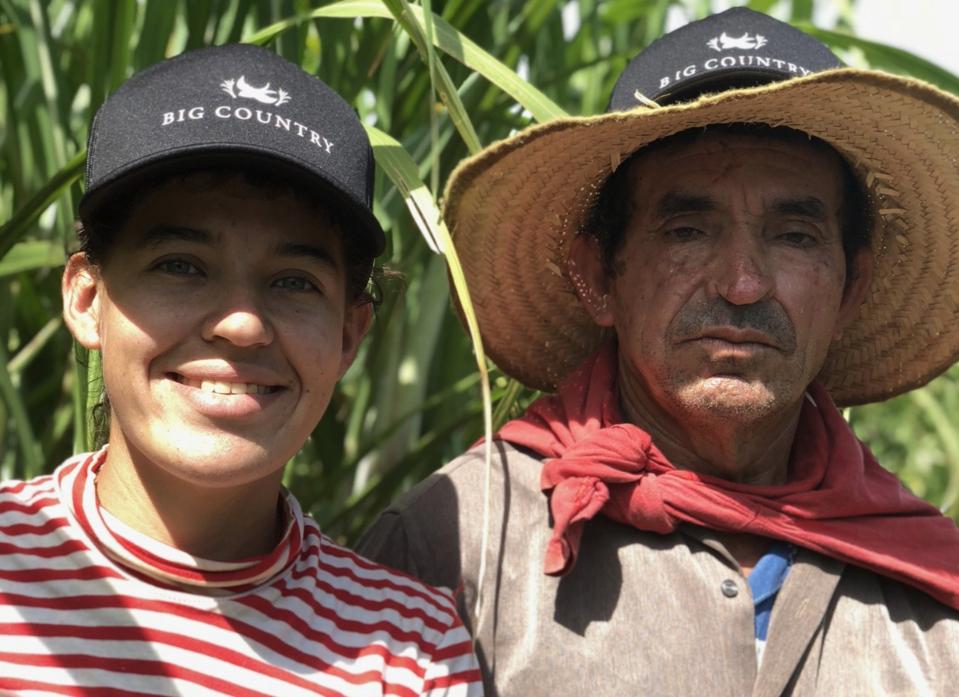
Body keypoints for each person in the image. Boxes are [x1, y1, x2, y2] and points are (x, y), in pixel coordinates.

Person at [357, 8, 959, 696]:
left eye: (794, 236)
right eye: (687, 231)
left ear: (851, 289)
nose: (742, 284)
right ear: (598, 276)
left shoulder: (931, 589)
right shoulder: (462, 542)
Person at [0, 44, 481, 696]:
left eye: (294, 280)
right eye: (180, 265)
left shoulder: (408, 653)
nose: (242, 324)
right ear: (87, 300)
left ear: (348, 334)